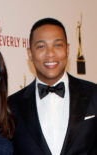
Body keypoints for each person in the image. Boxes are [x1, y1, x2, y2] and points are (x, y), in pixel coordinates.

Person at [8, 18, 97, 155]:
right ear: (30, 53)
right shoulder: (11, 106)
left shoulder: (94, 94)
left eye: (57, 45)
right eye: (41, 46)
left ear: (67, 50)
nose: (50, 54)